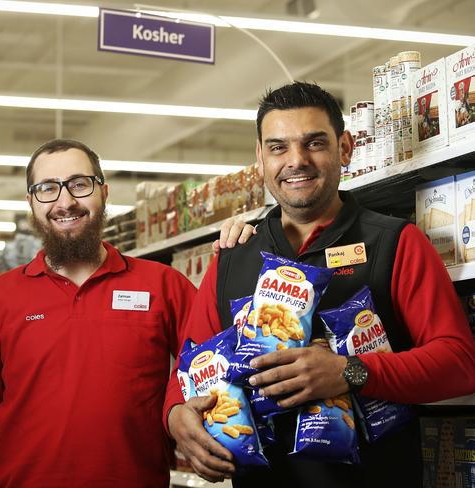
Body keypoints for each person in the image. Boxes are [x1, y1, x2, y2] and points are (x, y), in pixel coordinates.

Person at [164, 82, 475, 487]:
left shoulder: (395, 242)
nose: (297, 161)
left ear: (344, 148)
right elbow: (190, 366)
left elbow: (459, 365)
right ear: (260, 157)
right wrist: (175, 416)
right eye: (278, 147)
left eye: (314, 143)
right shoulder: (233, 255)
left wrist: (351, 371)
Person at [0, 138, 254, 488]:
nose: (65, 201)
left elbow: (220, 359)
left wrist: (242, 253)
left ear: (103, 192)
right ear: (31, 202)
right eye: (47, 189)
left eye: (79, 184)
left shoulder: (162, 285)